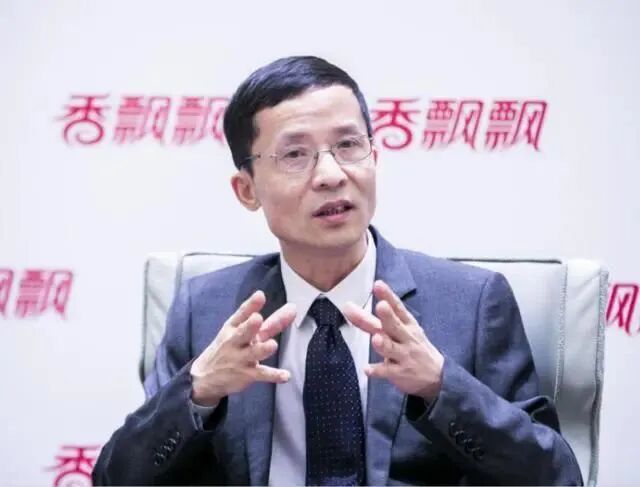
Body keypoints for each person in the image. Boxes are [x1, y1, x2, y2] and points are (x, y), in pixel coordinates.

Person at [92, 56, 583, 486]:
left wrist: (441, 387)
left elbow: (555, 476)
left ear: (375, 158)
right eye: (295, 155)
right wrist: (198, 392)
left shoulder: (471, 305)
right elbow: (116, 478)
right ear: (247, 190)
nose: (331, 175)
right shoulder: (206, 311)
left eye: (349, 145)